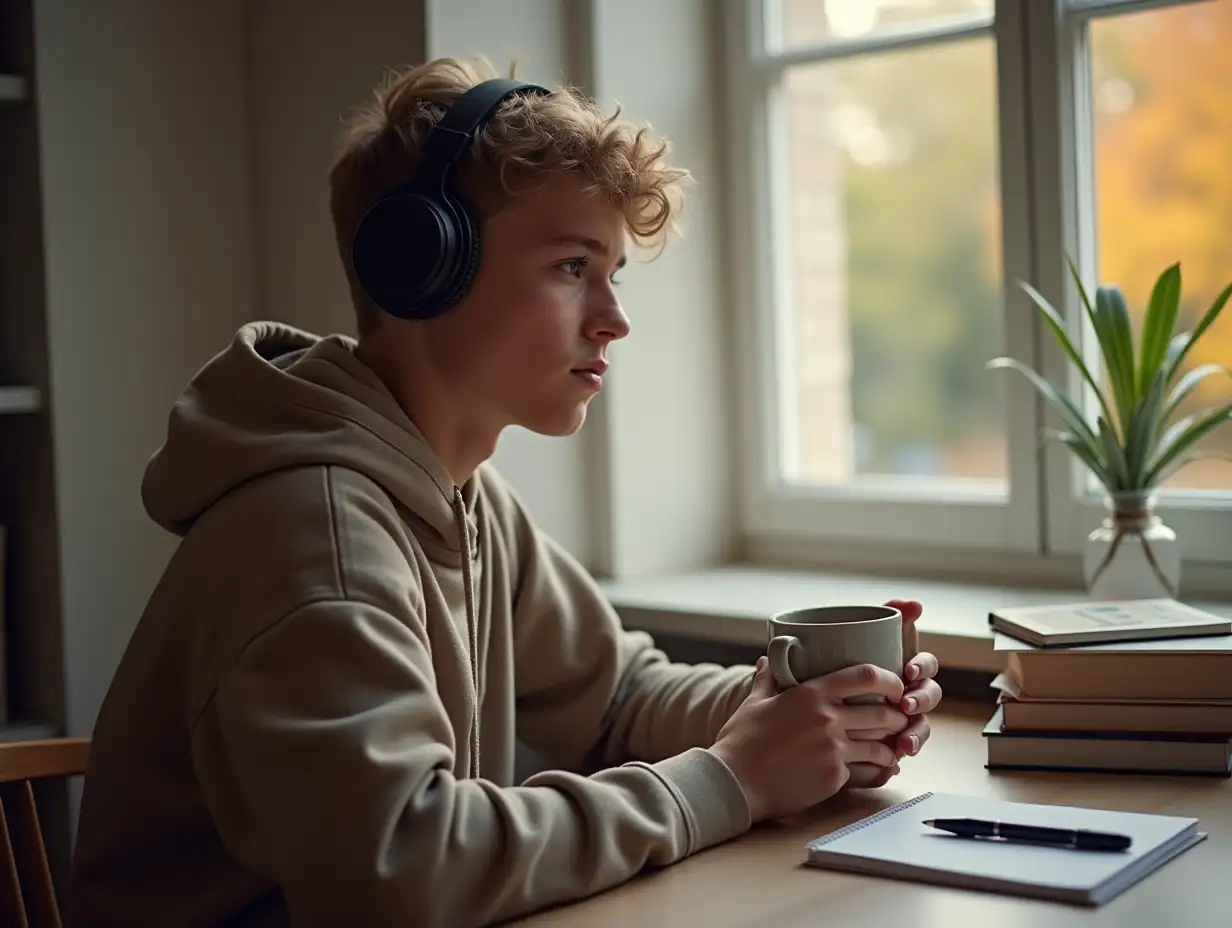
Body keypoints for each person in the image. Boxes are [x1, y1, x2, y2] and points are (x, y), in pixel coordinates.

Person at [69, 57, 943, 927]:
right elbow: (402, 867)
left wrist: (809, 717)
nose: (615, 317)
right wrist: (732, 780)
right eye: (572, 266)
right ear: (421, 267)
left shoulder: (459, 493)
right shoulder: (316, 535)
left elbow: (616, 701)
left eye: (614, 273)